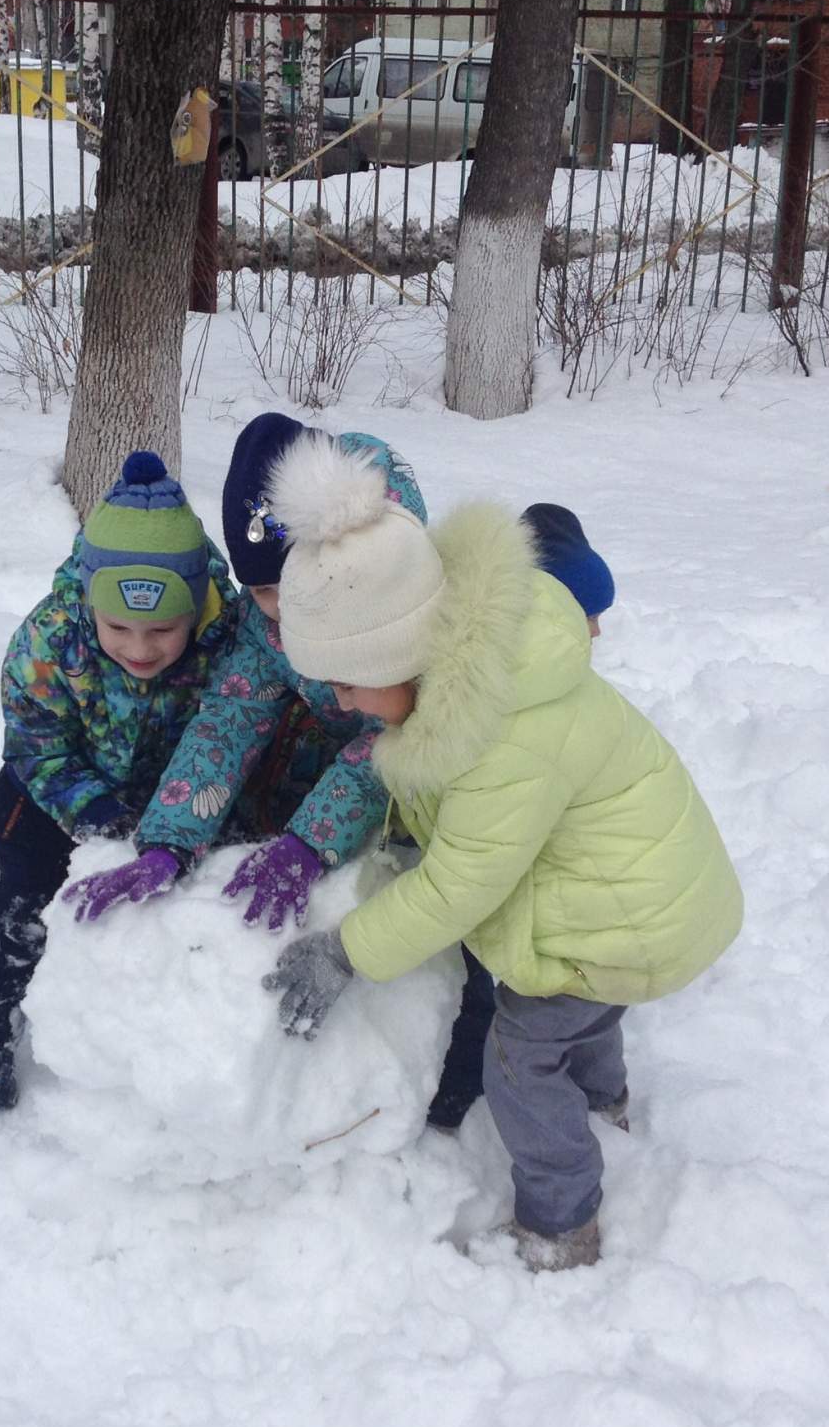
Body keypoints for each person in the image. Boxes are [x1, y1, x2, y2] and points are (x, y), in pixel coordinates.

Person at [258, 438, 742, 1271]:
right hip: (640, 897)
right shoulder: (480, 677)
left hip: (626, 920)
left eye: (345, 681)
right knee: (582, 1011)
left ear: (397, 653)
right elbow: (446, 795)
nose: (335, 702)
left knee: (519, 1063)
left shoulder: (506, 732)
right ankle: (603, 1099)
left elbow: (462, 885)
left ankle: (560, 1222)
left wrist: (346, 951)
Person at [0, 452, 237, 1110]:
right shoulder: (49, 640)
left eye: (163, 629)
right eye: (119, 628)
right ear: (92, 603)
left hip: (168, 802)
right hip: (45, 794)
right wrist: (92, 810)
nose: (139, 648)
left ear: (196, 604)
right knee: (28, 906)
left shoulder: (227, 638)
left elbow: (236, 727)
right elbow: (36, 747)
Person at [63, 414, 426, 930]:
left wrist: (309, 841)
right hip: (337, 762)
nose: (279, 607)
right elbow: (228, 722)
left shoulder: (393, 604)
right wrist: (169, 841)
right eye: (259, 590)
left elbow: (391, 736)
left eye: (285, 581)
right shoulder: (266, 628)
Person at [424, 501, 618, 1135]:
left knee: (536, 998)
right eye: (586, 615)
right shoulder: (506, 692)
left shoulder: (553, 689)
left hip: (556, 889)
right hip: (537, 881)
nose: (594, 633)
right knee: (507, 985)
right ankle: (592, 1094)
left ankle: (488, 1090)